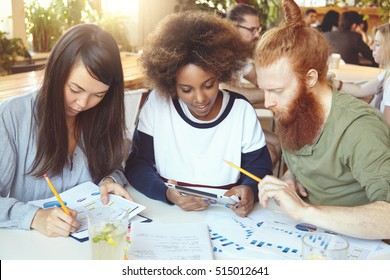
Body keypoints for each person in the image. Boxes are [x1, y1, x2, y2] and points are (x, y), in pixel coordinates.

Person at [255, 0, 390, 239]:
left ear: (309, 79)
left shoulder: (359, 128)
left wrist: (305, 211)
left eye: (276, 90)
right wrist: (289, 178)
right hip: (306, 235)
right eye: (264, 90)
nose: (267, 103)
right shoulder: (297, 109)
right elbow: (300, 162)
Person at [125, 11, 272, 217]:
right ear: (170, 82)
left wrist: (249, 189)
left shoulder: (240, 111)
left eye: (209, 85)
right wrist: (167, 193)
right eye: (186, 89)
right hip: (168, 213)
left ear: (220, 73)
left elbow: (260, 167)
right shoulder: (158, 105)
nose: (200, 99)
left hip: (227, 216)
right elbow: (137, 165)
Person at [0, 24, 132, 237]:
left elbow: (113, 166)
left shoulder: (103, 116)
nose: (82, 104)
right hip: (31, 248)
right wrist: (34, 217)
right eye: (75, 89)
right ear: (56, 73)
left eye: (98, 95)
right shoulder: (12, 116)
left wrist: (109, 181)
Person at [224, 3, 282, 170]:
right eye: (252, 30)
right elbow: (225, 92)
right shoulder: (220, 53)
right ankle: (246, 189)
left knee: (279, 143)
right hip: (219, 126)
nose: (257, 35)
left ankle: (256, 189)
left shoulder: (237, 54)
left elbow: (258, 77)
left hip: (233, 122)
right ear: (233, 27)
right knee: (269, 151)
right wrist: (273, 93)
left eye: (258, 29)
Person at [331, 23, 390, 126]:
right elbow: (361, 89)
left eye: (377, 44)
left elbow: (386, 127)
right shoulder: (387, 73)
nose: (371, 47)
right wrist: (331, 82)